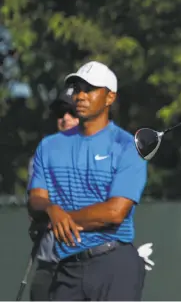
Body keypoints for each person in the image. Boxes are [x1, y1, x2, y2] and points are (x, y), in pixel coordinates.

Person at [27, 61, 148, 300]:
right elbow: (36, 199)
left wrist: (61, 217)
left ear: (110, 97)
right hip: (67, 266)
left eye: (90, 89)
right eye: (77, 89)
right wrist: (51, 209)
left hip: (114, 263)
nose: (80, 96)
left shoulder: (127, 146)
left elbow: (115, 212)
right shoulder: (49, 146)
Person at [27, 86, 79, 301]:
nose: (65, 118)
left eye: (72, 112)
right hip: (48, 266)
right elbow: (35, 210)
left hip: (87, 268)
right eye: (60, 113)